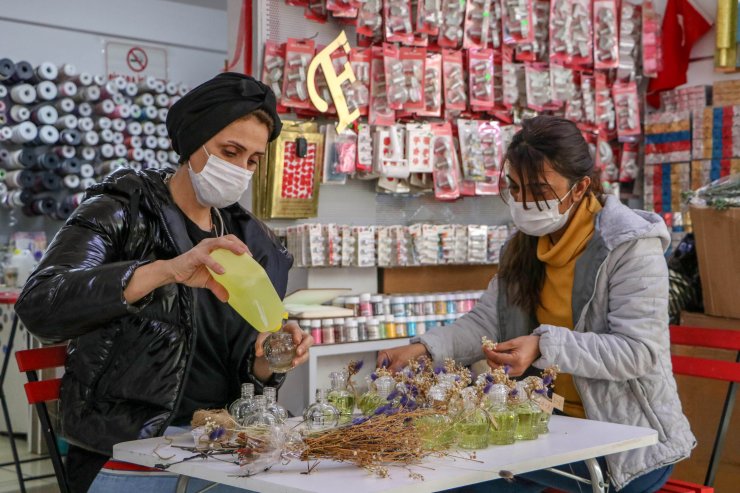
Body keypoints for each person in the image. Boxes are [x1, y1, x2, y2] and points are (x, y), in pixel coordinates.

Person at [15, 73, 313, 493]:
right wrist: (166, 270)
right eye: (230, 151)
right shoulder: (121, 212)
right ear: (194, 142)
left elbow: (241, 364)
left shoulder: (250, 242)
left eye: (252, 160)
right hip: (132, 450)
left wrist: (269, 361)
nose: (241, 169)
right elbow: (41, 306)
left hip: (221, 447)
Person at [380, 116, 695, 492]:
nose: (525, 201)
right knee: (438, 473)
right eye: (515, 187)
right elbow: (487, 323)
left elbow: (638, 351)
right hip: (544, 424)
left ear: (579, 189)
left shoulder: (630, 247)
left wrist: (544, 345)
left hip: (624, 444)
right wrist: (423, 349)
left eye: (540, 188)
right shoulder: (525, 245)